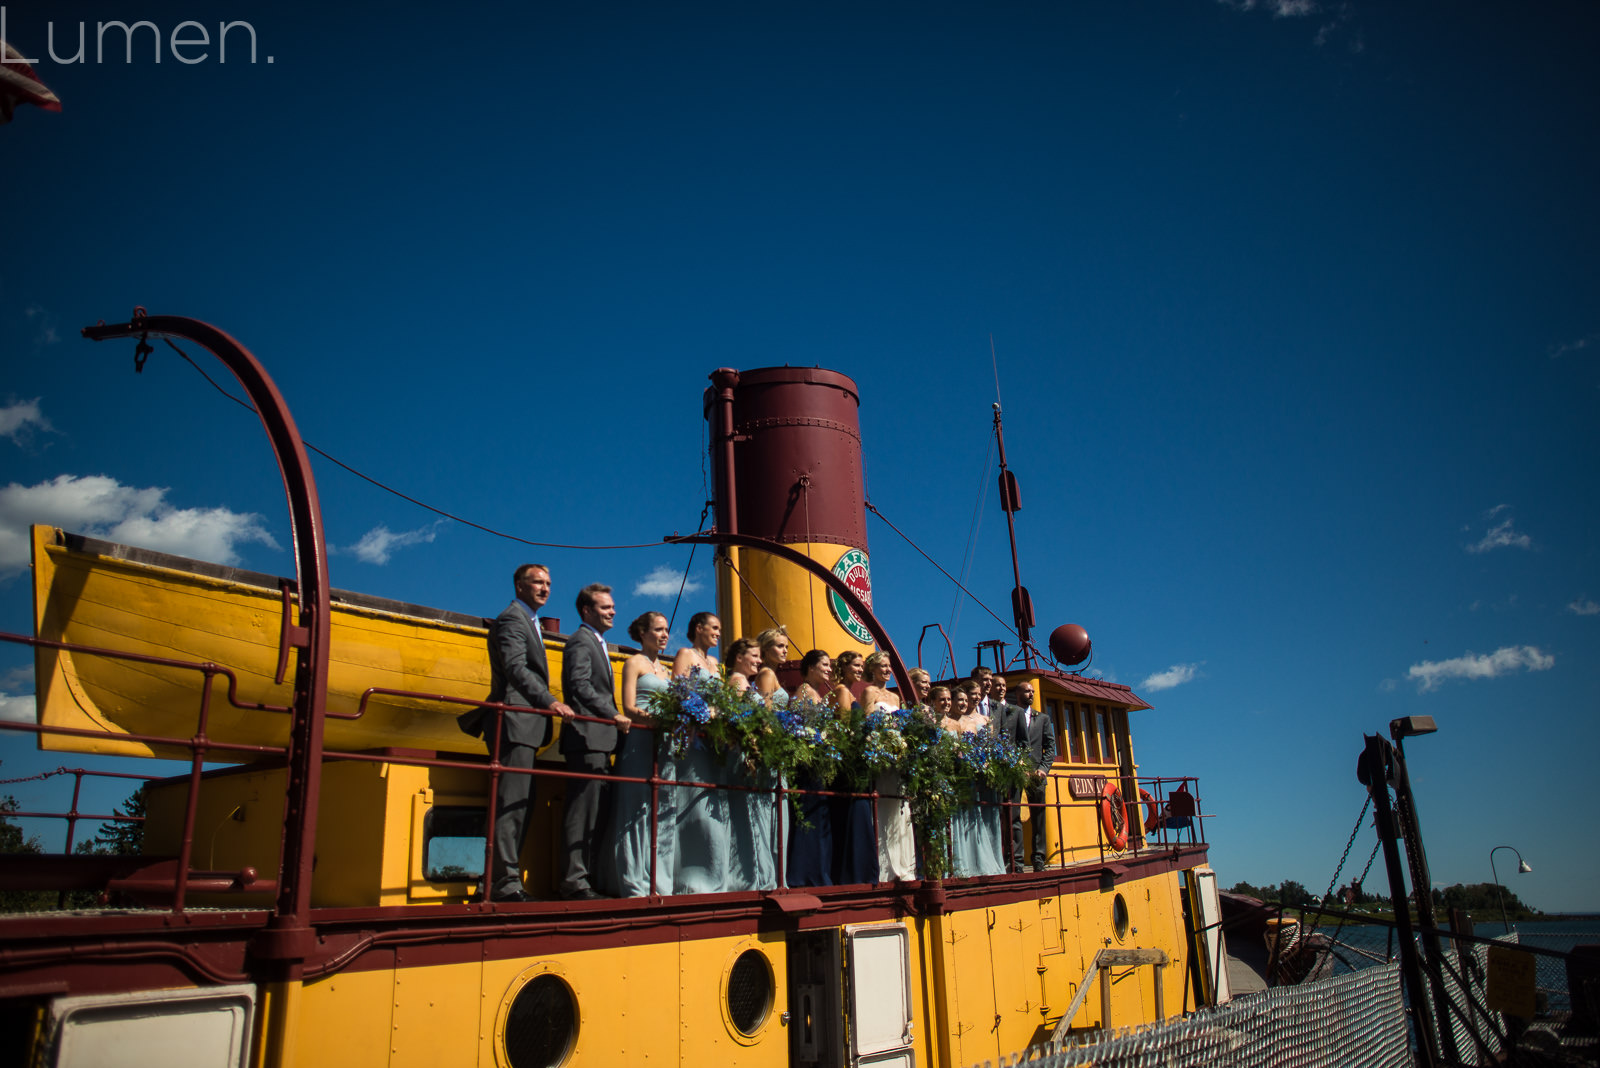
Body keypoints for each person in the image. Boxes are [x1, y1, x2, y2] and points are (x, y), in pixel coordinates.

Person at [461, 564, 576, 903]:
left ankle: (498, 880)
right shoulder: (512, 618)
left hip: (526, 725)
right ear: (519, 586)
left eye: (549, 583)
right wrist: (550, 701)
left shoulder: (529, 621)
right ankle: (502, 883)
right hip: (515, 719)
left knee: (520, 803)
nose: (545, 588)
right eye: (537, 582)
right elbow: (516, 668)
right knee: (510, 804)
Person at [558, 583, 622, 900]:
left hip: (599, 741)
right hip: (586, 739)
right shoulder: (580, 643)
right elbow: (580, 686)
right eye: (604, 607)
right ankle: (574, 881)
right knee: (582, 813)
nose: (612, 611)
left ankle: (587, 877)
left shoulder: (597, 643)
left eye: (611, 606)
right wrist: (613, 714)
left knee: (596, 813)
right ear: (586, 611)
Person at [607, 611, 674, 897]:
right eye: (658, 630)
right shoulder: (633, 663)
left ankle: (657, 877)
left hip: (664, 744)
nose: (664, 635)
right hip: (640, 740)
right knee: (634, 808)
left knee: (658, 810)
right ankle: (633, 879)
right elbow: (629, 708)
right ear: (643, 633)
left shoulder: (668, 672)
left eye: (666, 630)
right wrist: (658, 722)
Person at [670, 612, 728, 894]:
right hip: (693, 739)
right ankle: (689, 877)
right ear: (698, 628)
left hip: (713, 742)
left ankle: (712, 871)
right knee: (694, 808)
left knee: (712, 809)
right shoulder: (685, 655)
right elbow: (680, 694)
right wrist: (705, 713)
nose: (718, 632)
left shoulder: (714, 664)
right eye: (714, 627)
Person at [861, 652, 914, 881]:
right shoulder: (868, 692)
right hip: (882, 755)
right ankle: (884, 867)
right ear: (872, 669)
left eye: (889, 666)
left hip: (898, 757)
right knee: (884, 807)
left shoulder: (895, 698)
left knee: (900, 809)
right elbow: (865, 723)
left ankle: (903, 865)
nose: (887, 670)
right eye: (883, 666)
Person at [827, 650, 877, 884]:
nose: (859, 670)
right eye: (856, 665)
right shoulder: (841, 692)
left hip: (857, 762)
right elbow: (845, 731)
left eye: (861, 666)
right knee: (855, 814)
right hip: (851, 764)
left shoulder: (849, 693)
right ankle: (855, 873)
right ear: (844, 667)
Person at [787, 649, 834, 887]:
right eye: (824, 665)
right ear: (811, 667)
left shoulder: (817, 694)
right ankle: (806, 873)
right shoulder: (804, 693)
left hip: (818, 762)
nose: (829, 669)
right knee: (810, 814)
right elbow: (798, 726)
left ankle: (817, 871)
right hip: (808, 763)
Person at [1008, 682, 1057, 873]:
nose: (1031, 694)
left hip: (1037, 775)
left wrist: (1044, 769)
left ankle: (1038, 859)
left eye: (1033, 692)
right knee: (1014, 817)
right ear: (1018, 693)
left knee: (1039, 817)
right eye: (1027, 691)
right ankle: (1017, 861)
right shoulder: (1010, 715)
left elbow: (1050, 747)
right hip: (1016, 774)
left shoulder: (1043, 718)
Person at [753, 626, 791, 702]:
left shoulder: (769, 672)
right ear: (766, 649)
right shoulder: (767, 673)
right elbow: (766, 709)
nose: (785, 651)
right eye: (780, 646)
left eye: (786, 647)